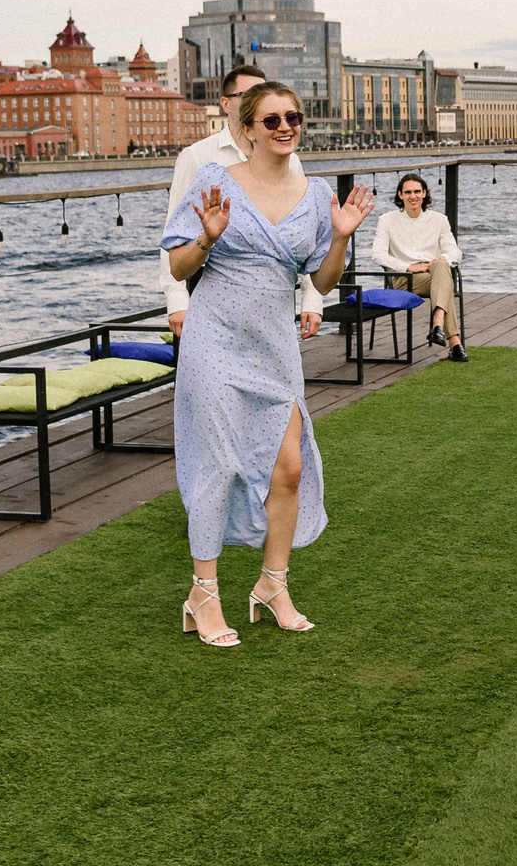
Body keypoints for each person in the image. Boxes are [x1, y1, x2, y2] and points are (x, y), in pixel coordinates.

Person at [164, 81, 373, 647]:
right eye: (273, 119)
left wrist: (339, 240)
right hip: (214, 339)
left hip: (273, 346)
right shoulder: (214, 182)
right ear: (248, 128)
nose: (286, 127)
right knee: (219, 464)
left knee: (289, 468)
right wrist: (206, 238)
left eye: (294, 118)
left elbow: (322, 281)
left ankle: (271, 586)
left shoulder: (315, 193)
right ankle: (203, 594)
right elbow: (180, 267)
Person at [158, 63, 322, 343]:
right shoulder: (198, 158)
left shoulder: (290, 159)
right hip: (211, 289)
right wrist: (176, 299)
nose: (257, 100)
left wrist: (312, 299)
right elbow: (175, 230)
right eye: (247, 94)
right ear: (225, 103)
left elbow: (304, 229)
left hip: (274, 302)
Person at [370, 173, 465, 362]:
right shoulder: (386, 220)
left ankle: (440, 327)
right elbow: (377, 255)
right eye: (408, 192)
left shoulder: (439, 219)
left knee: (441, 266)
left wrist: (440, 259)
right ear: (400, 195)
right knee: (445, 281)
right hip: (404, 278)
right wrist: (408, 267)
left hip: (433, 272)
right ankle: (451, 339)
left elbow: (455, 252)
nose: (413, 196)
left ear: (424, 194)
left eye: (417, 191)